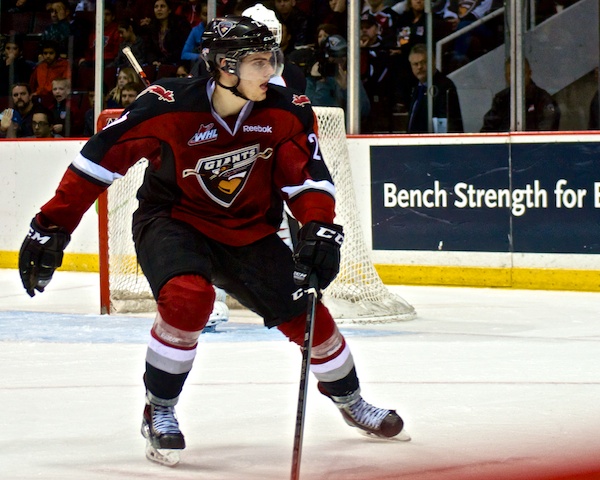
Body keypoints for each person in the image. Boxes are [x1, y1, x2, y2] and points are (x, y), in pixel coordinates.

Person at [18, 16, 409, 466]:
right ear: (225, 66)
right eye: (259, 62)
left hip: (248, 231)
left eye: (272, 60)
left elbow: (307, 179)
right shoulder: (166, 106)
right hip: (172, 221)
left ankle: (352, 402)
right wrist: (52, 225)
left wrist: (319, 227)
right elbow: (97, 163)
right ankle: (160, 409)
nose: (271, 72)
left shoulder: (287, 110)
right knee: (188, 299)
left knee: (308, 314)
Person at [481, 58, 560, 132]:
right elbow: (488, 130)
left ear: (529, 73)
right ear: (506, 77)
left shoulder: (543, 99)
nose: (517, 78)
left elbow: (546, 134)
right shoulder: (501, 99)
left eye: (521, 73)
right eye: (511, 75)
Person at [306, 34, 371, 120]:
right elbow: (316, 115)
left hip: (345, 130)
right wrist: (321, 82)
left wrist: (346, 89)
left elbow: (364, 111)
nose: (341, 60)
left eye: (343, 55)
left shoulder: (350, 79)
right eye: (334, 56)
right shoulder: (312, 79)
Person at [406, 43, 463, 133]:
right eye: (415, 64)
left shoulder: (445, 86)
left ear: (433, 61)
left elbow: (448, 125)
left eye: (423, 62)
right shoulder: (416, 87)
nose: (419, 67)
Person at [141, 0, 191, 68]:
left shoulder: (180, 25)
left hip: (178, 63)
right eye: (156, 7)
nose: (159, 9)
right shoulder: (152, 27)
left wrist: (163, 61)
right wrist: (153, 60)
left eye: (162, 6)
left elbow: (181, 49)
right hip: (158, 64)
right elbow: (148, 49)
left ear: (169, 10)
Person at [29, 40, 71, 106]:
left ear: (56, 54)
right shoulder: (40, 67)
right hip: (39, 98)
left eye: (51, 53)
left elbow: (66, 84)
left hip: (57, 98)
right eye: (45, 53)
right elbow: (32, 85)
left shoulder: (65, 65)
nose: (48, 56)